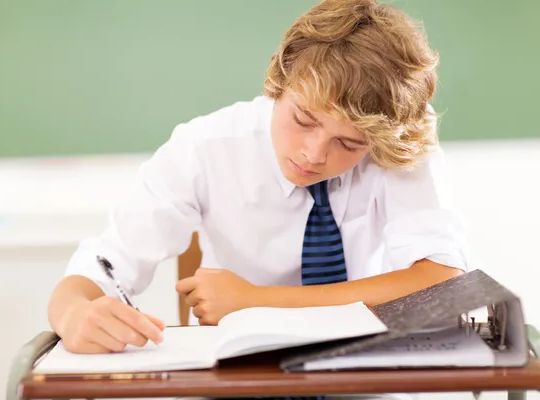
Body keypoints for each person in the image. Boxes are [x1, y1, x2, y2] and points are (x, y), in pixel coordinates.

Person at [47, 0, 469, 362]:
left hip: (367, 374)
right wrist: (73, 314)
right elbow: (100, 270)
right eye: (303, 119)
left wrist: (253, 300)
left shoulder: (394, 141)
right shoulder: (205, 148)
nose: (314, 153)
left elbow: (443, 282)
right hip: (243, 378)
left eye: (348, 143)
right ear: (280, 82)